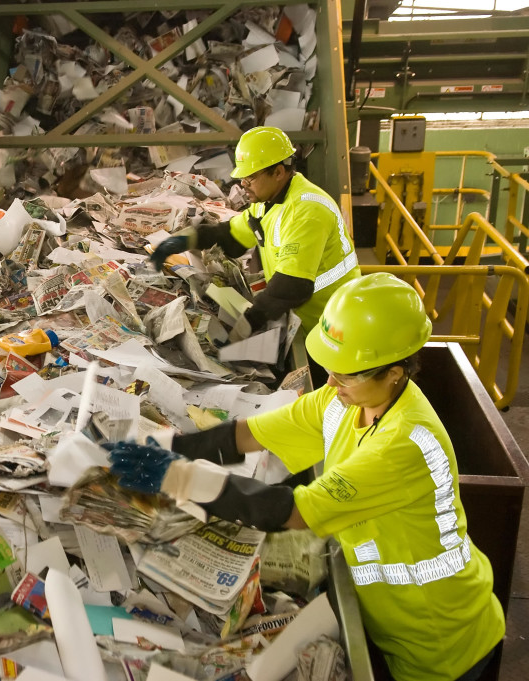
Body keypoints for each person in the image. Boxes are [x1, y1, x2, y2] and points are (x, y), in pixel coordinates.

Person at [106, 273, 504, 681]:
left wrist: (179, 479)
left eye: (346, 373)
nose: (331, 382)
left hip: (441, 641)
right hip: (390, 622)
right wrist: (164, 448)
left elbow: (293, 512)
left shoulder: (403, 444)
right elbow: (248, 435)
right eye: (331, 368)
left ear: (395, 372)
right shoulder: (346, 400)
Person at [149, 126, 359, 339]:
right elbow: (231, 236)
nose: (243, 184)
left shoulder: (307, 211)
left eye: (250, 178)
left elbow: (292, 286)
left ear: (277, 172)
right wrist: (181, 241)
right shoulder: (268, 201)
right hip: (310, 317)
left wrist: (247, 325)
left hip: (333, 322)